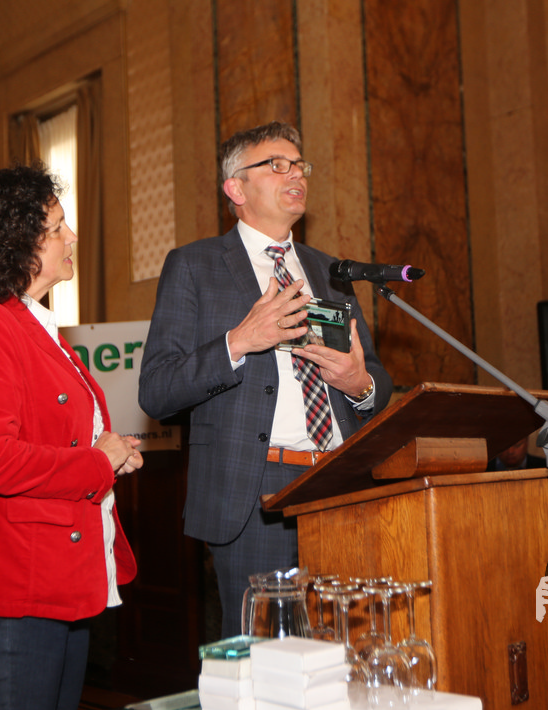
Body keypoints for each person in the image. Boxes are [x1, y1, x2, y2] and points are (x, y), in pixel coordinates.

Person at [138, 121, 392, 637]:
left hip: (339, 483)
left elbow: (379, 381)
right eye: (276, 165)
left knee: (342, 650)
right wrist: (238, 341)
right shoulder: (195, 266)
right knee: (266, 660)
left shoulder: (331, 272)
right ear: (235, 188)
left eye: (299, 165)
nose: (295, 174)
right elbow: (157, 390)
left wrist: (359, 384)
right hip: (255, 491)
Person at [0, 164, 142, 710]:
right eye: (57, 227)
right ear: (13, 242)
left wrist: (110, 452)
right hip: (14, 587)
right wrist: (96, 462)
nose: (72, 236)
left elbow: (51, 439)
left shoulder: (35, 326)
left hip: (60, 582)